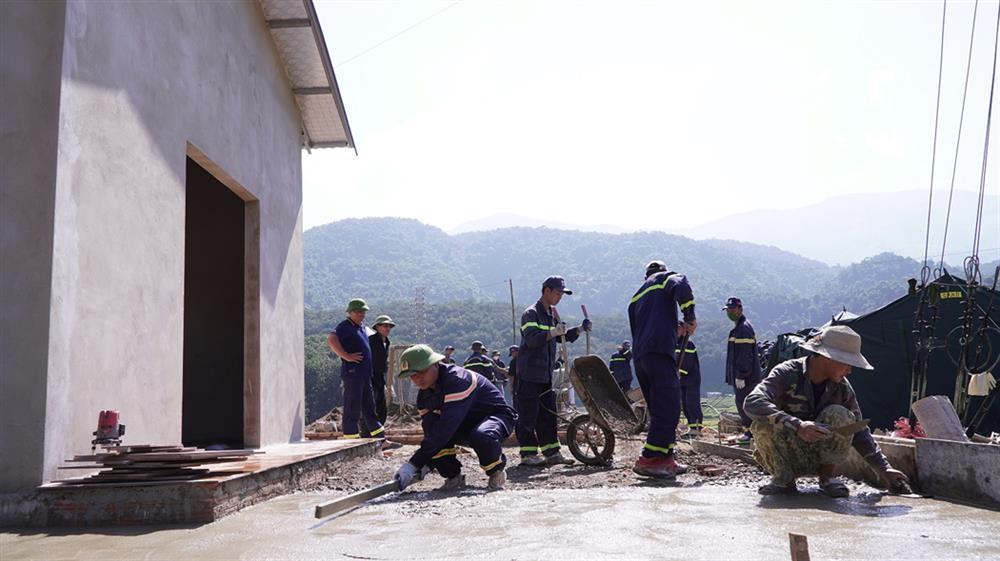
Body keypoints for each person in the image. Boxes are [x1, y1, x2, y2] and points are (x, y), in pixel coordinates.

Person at [744, 325, 910, 497]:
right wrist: (798, 425)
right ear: (828, 357)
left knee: (841, 415)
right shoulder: (786, 373)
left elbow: (859, 430)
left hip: (820, 456)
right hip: (788, 454)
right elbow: (753, 402)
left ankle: (827, 478)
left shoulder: (842, 388)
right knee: (761, 424)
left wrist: (884, 469)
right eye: (847, 363)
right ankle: (783, 480)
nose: (850, 370)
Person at [393, 344, 517, 491]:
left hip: (496, 418)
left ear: (435, 365)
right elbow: (431, 432)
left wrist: (414, 463)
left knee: (482, 436)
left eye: (422, 372)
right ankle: (453, 476)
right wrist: (427, 463)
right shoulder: (424, 396)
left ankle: (496, 472)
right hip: (463, 425)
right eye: (413, 375)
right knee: (432, 430)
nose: (417, 379)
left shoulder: (457, 380)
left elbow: (446, 427)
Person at [627, 260, 696, 478]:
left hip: (641, 357)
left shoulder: (637, 297)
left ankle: (667, 458)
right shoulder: (664, 279)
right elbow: (681, 284)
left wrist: (675, 330)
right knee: (669, 407)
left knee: (659, 409)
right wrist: (689, 317)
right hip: (659, 353)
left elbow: (644, 329)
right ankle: (649, 459)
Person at [516, 276, 591, 467]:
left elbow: (561, 335)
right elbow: (532, 339)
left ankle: (552, 453)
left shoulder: (551, 315)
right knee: (528, 414)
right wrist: (552, 333)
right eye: (557, 293)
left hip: (545, 374)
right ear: (547, 291)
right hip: (529, 374)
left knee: (547, 414)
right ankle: (528, 454)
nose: (559, 297)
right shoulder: (531, 313)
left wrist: (580, 329)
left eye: (561, 294)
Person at [327, 298, 384, 440]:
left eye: (363, 312)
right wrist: (345, 356)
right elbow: (331, 338)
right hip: (353, 373)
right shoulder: (345, 326)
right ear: (350, 313)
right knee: (352, 405)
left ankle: (380, 437)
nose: (361, 314)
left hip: (365, 374)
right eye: (358, 312)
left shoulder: (362, 327)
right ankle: (350, 437)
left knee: (369, 406)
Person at [724, 297, 761, 444]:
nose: (730, 312)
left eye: (732, 309)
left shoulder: (743, 329)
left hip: (746, 377)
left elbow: (745, 355)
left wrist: (741, 375)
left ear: (740, 309)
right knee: (742, 403)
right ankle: (749, 432)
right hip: (743, 376)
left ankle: (751, 434)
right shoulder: (739, 328)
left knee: (744, 403)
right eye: (728, 309)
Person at [368, 315, 395, 426]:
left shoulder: (387, 342)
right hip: (370, 377)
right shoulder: (371, 341)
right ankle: (367, 435)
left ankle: (379, 435)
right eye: (384, 326)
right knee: (370, 407)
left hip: (380, 378)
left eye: (389, 326)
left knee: (381, 409)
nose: (387, 328)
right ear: (377, 327)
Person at [676, 336, 703, 435]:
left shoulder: (688, 343)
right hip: (681, 379)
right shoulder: (676, 343)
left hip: (691, 379)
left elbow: (687, 362)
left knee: (692, 403)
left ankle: (696, 427)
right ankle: (691, 426)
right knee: (685, 404)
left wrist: (678, 372)